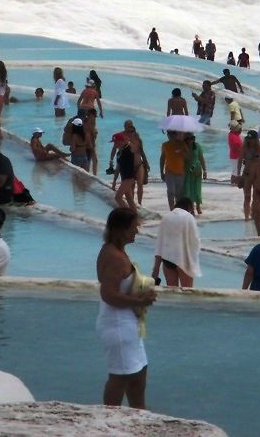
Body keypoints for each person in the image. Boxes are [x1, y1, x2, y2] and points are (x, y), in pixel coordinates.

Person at [96, 207, 156, 409]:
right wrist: (140, 301)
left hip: (126, 323)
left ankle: (140, 417)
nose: (136, 231)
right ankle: (110, 418)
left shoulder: (117, 252)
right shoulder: (114, 257)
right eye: (133, 227)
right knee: (119, 376)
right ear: (121, 229)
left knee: (138, 375)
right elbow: (108, 294)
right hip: (117, 324)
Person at [152, 197, 202, 287]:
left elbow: (160, 243)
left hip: (167, 259)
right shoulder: (189, 217)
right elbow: (195, 241)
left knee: (172, 293)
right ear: (189, 207)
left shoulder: (166, 217)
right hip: (184, 259)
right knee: (187, 292)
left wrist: (156, 269)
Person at [159, 132, 190, 210]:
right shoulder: (165, 145)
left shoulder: (182, 144)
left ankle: (178, 209)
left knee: (179, 194)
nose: (170, 135)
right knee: (171, 191)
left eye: (173, 134)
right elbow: (162, 158)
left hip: (180, 172)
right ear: (167, 135)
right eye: (169, 134)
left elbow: (188, 157)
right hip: (169, 172)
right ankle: (172, 210)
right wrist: (161, 171)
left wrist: (181, 151)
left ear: (176, 134)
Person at [112, 133, 141, 209]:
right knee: (129, 200)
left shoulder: (128, 149)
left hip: (129, 177)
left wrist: (128, 140)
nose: (115, 144)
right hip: (124, 178)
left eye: (116, 142)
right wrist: (114, 180)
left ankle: (129, 215)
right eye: (114, 142)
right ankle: (135, 217)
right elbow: (118, 168)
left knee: (118, 197)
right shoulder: (118, 153)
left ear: (121, 141)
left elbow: (136, 148)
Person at [182, 132, 207, 215]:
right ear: (186, 140)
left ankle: (198, 207)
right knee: (189, 190)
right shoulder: (184, 147)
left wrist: (205, 170)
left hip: (197, 170)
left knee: (197, 189)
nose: (191, 140)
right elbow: (184, 159)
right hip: (187, 170)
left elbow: (201, 158)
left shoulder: (197, 146)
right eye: (189, 139)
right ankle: (191, 208)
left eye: (192, 138)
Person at [237, 130, 259, 220]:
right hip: (246, 173)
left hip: (257, 174)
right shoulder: (244, 147)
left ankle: (254, 215)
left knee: (256, 196)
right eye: (248, 139)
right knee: (247, 196)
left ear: (255, 139)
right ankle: (246, 217)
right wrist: (238, 174)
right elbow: (239, 160)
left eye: (251, 139)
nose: (249, 141)